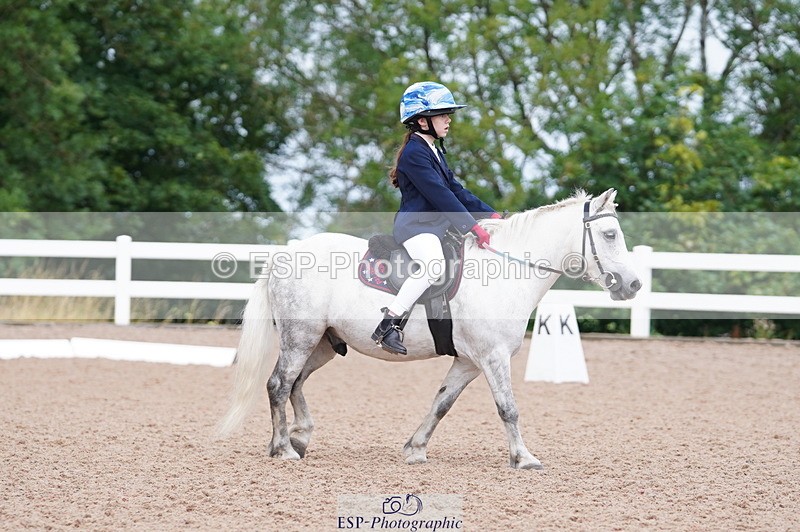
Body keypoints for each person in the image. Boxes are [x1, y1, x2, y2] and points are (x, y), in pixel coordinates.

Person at [371, 81, 501, 355]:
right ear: (421, 120)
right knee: (433, 266)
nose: (448, 119)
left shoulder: (434, 150)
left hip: (436, 227)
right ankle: (388, 325)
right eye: (442, 114)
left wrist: (491, 214)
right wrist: (472, 226)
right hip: (417, 227)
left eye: (448, 114)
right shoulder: (413, 153)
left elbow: (456, 190)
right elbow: (440, 195)